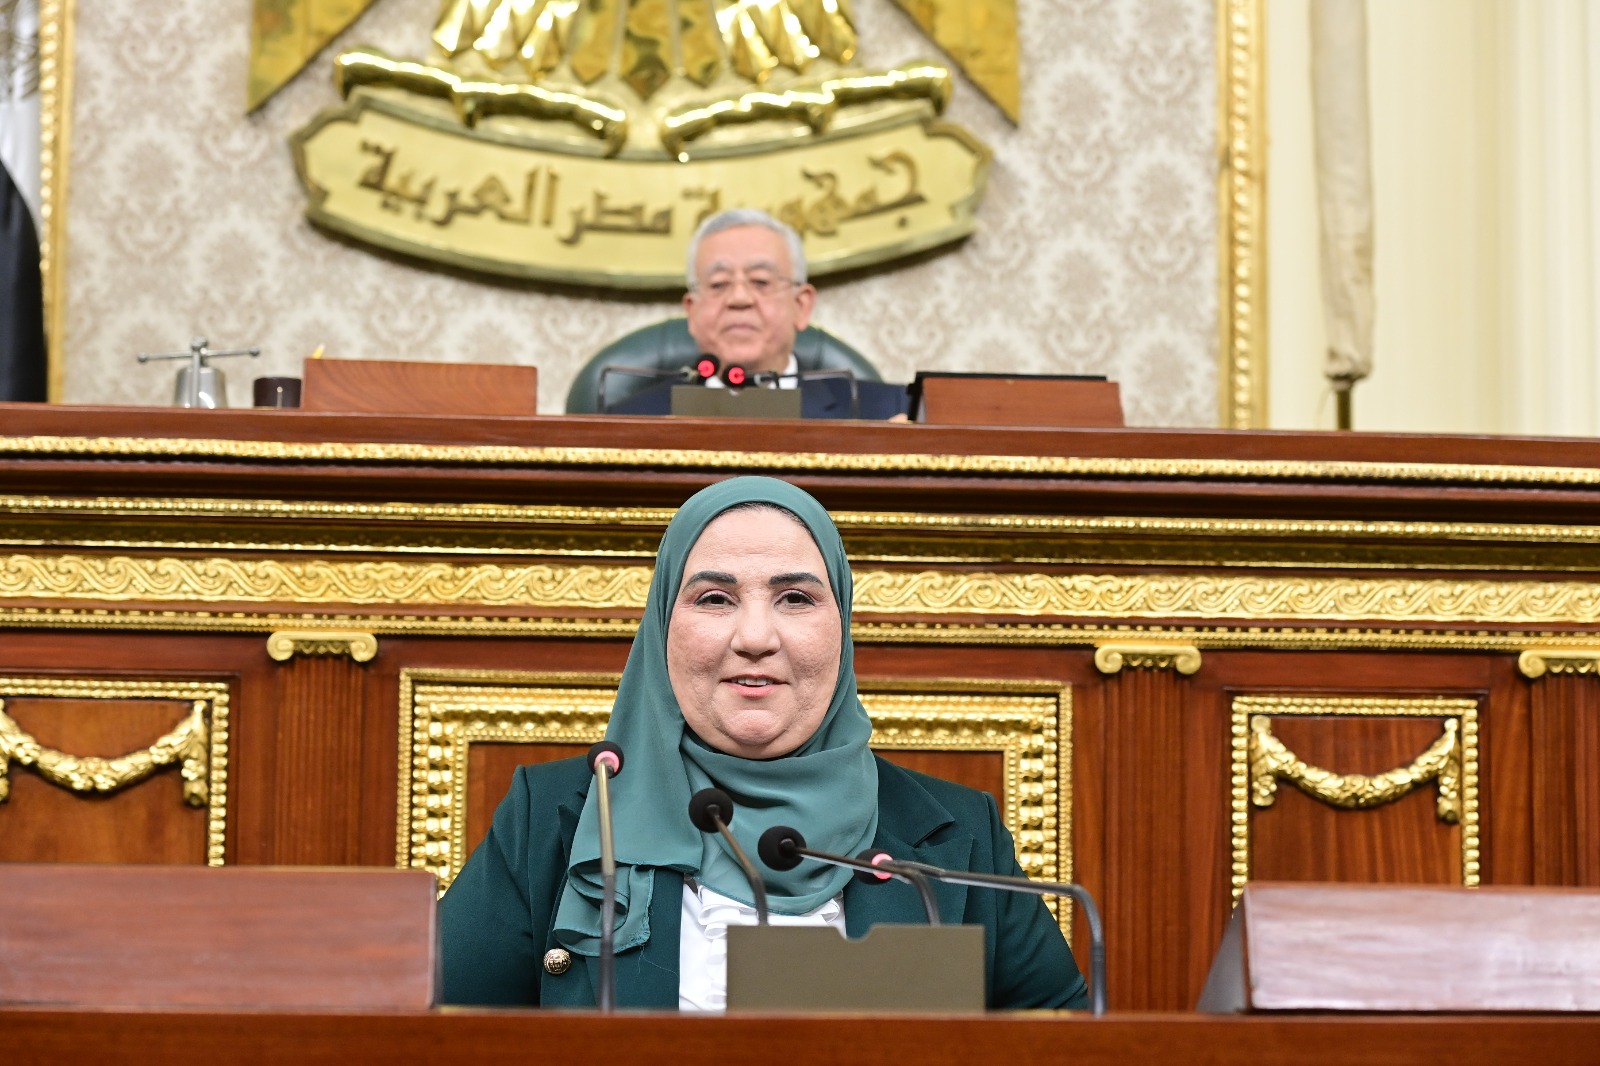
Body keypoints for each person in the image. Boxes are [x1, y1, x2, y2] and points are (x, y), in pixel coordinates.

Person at [439, 476, 1087, 1010]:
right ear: (663, 625)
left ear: (842, 629)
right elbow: (423, 1038)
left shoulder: (956, 836)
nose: (755, 637)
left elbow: (1069, 1050)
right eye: (715, 598)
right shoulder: (556, 817)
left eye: (795, 598)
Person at [607, 210, 910, 420]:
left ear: (801, 305)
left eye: (761, 281)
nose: (739, 299)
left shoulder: (886, 412)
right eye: (719, 284)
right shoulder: (627, 422)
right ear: (692, 312)